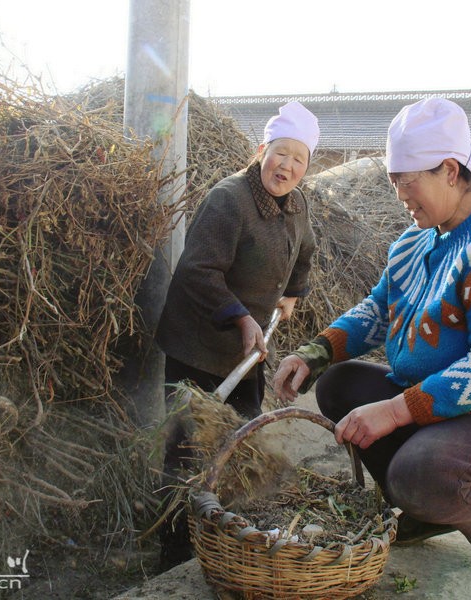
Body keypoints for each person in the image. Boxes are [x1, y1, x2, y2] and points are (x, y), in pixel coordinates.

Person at [272, 98, 471, 578]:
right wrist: (317, 352)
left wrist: (395, 410)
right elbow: (379, 310)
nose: (399, 194)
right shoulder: (417, 239)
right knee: (339, 386)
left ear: (451, 171)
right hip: (450, 401)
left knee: (416, 475)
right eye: (395, 181)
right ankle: (425, 506)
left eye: (407, 180)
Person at [154, 101, 319, 570]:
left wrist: (292, 292)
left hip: (247, 355)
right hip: (198, 345)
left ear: (306, 168)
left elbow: (305, 249)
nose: (286, 165)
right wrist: (242, 317)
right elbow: (197, 271)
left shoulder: (298, 205)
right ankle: (174, 553)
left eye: (299, 159)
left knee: (239, 444)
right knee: (186, 451)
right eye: (280, 153)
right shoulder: (230, 200)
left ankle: (225, 539)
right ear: (262, 149)